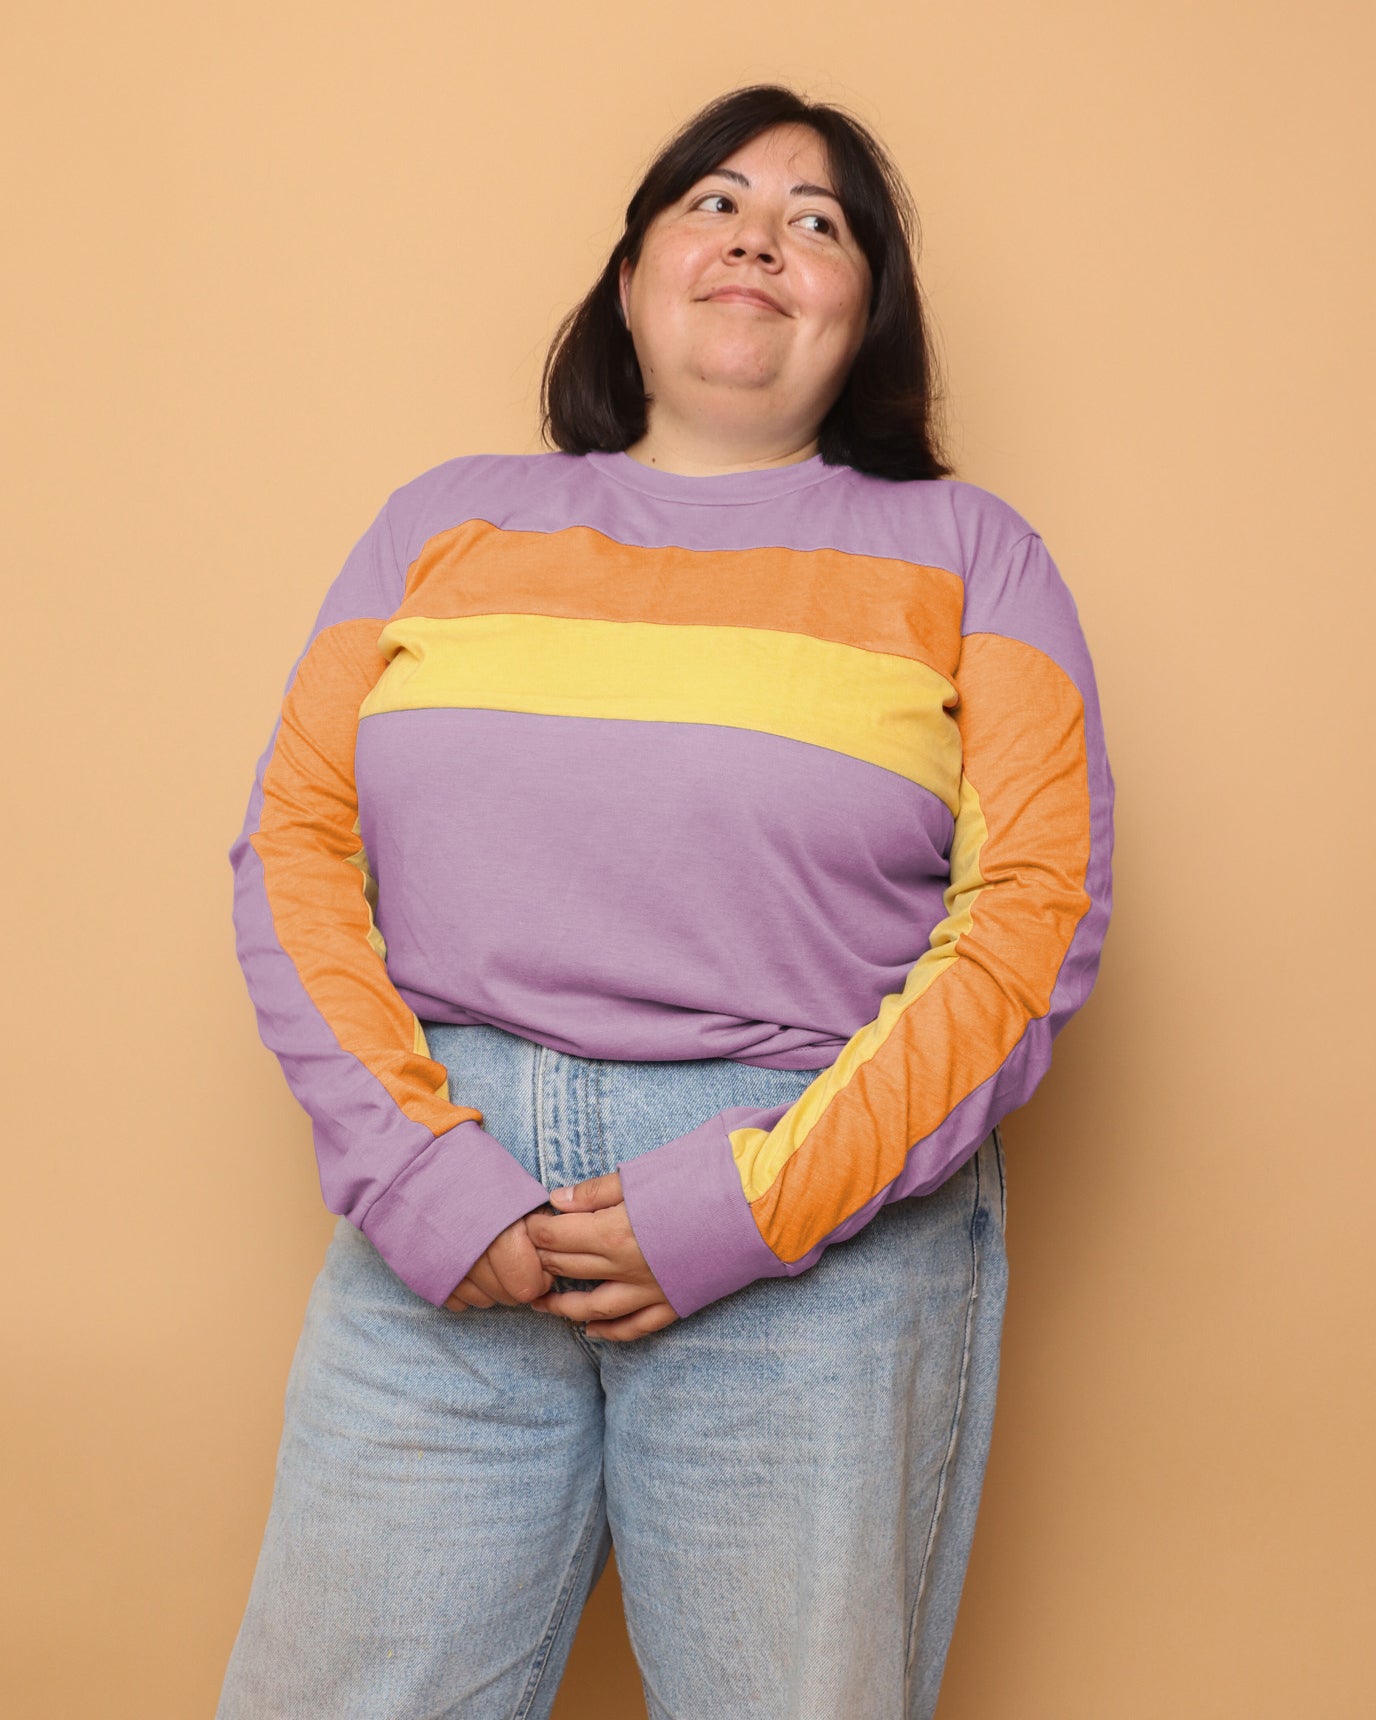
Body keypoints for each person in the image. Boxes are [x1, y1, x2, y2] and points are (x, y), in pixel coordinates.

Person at [216, 82, 1115, 1720]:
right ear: (630, 279)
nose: (759, 238)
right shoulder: (438, 521)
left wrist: (757, 1201)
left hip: (813, 1220)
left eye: (816, 223)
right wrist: (415, 1169)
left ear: (865, 313)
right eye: (714, 203)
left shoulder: (975, 555)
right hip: (446, 1192)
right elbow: (294, 850)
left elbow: (1029, 920)